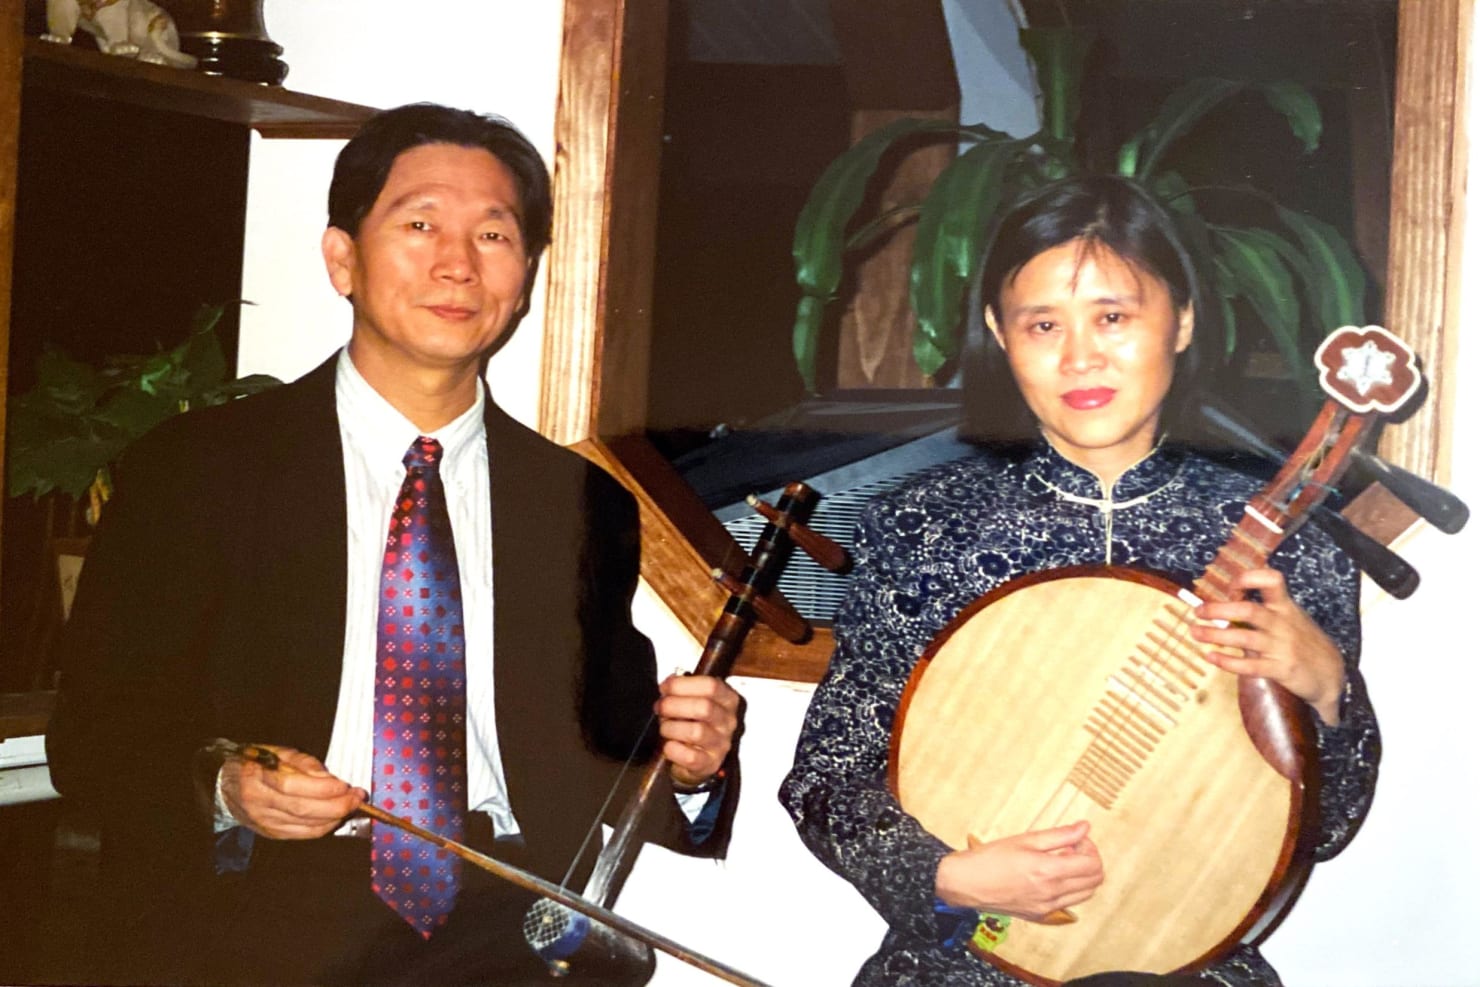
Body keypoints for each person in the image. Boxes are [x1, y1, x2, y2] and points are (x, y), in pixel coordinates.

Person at [45, 102, 742, 986]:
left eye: (494, 234)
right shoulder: (197, 469)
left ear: (523, 276)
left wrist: (694, 769)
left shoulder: (579, 502)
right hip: (261, 914)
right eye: (420, 224)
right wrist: (225, 785)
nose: (457, 262)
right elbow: (95, 736)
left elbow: (614, 746)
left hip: (505, 917)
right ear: (343, 258)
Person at [779, 174, 1379, 986]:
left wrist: (1329, 693)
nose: (1080, 356)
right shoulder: (927, 524)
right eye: (1043, 324)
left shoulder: (1286, 545)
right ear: (1000, 332)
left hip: (1188, 965)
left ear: (1183, 319)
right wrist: (945, 876)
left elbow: (1327, 824)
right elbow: (827, 776)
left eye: (1114, 316)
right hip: (960, 966)